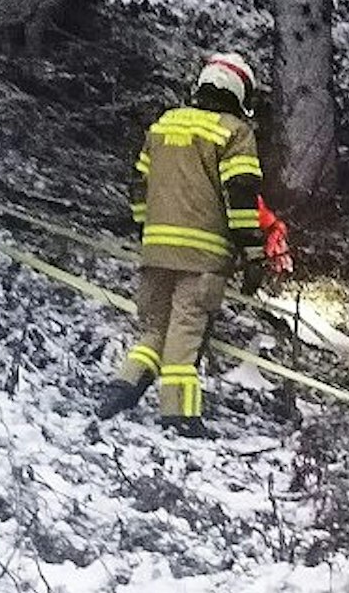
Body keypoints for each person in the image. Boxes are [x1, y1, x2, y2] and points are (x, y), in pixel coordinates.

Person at [97, 52, 289, 436]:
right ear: (240, 93)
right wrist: (252, 252)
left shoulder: (165, 124)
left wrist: (147, 231)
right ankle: (180, 416)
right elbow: (241, 195)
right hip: (203, 257)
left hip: (156, 250)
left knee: (155, 328)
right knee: (186, 332)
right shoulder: (234, 133)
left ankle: (122, 386)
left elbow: (139, 186)